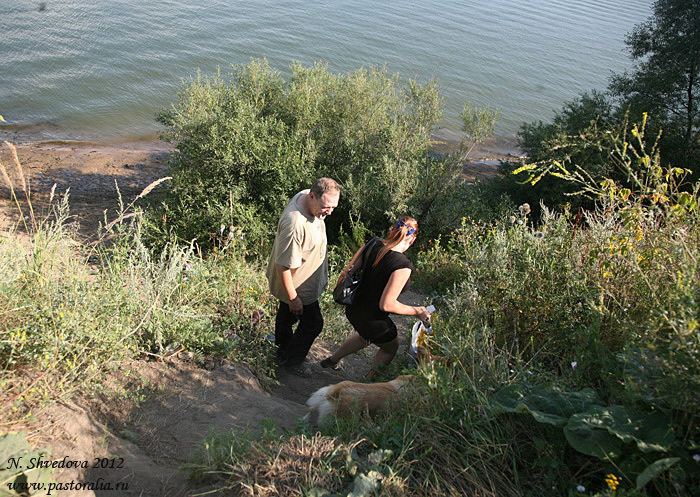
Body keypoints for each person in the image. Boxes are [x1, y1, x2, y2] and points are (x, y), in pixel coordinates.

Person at [320, 216, 431, 380]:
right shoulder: (403, 265)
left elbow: (346, 273)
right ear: (412, 240)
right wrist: (417, 311)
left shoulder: (373, 244)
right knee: (390, 348)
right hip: (373, 319)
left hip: (353, 309)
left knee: (365, 336)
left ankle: (332, 360)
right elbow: (387, 305)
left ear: (392, 230)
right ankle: (367, 383)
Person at [266, 177, 340, 377]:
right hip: (297, 286)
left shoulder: (306, 196)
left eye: (333, 207)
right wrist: (293, 298)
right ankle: (292, 361)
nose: (329, 212)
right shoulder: (295, 224)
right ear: (313, 196)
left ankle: (282, 351)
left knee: (286, 318)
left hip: (302, 280)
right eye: (326, 207)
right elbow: (282, 266)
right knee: (313, 323)